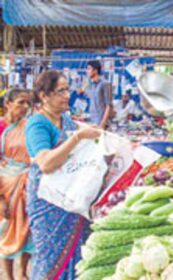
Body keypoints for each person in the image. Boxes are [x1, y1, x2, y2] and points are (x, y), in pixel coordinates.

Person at [25, 71, 101, 279]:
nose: (68, 95)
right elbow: (46, 163)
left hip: (71, 197)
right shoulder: (37, 124)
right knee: (49, 256)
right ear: (44, 96)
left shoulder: (65, 119)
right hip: (48, 201)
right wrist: (77, 137)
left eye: (68, 89)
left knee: (79, 252)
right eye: (61, 91)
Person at [0, 88, 34, 280]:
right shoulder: (1, 128)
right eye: (20, 102)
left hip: (26, 184)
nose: (25, 107)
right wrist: (1, 200)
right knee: (6, 231)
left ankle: (22, 272)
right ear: (8, 104)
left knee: (27, 229)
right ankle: (9, 275)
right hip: (6, 184)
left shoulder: (28, 126)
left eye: (27, 103)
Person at [82, 60, 112, 128]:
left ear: (95, 70)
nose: (87, 71)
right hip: (93, 122)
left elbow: (109, 105)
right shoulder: (91, 85)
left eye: (89, 68)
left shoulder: (105, 84)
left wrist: (103, 123)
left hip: (102, 123)